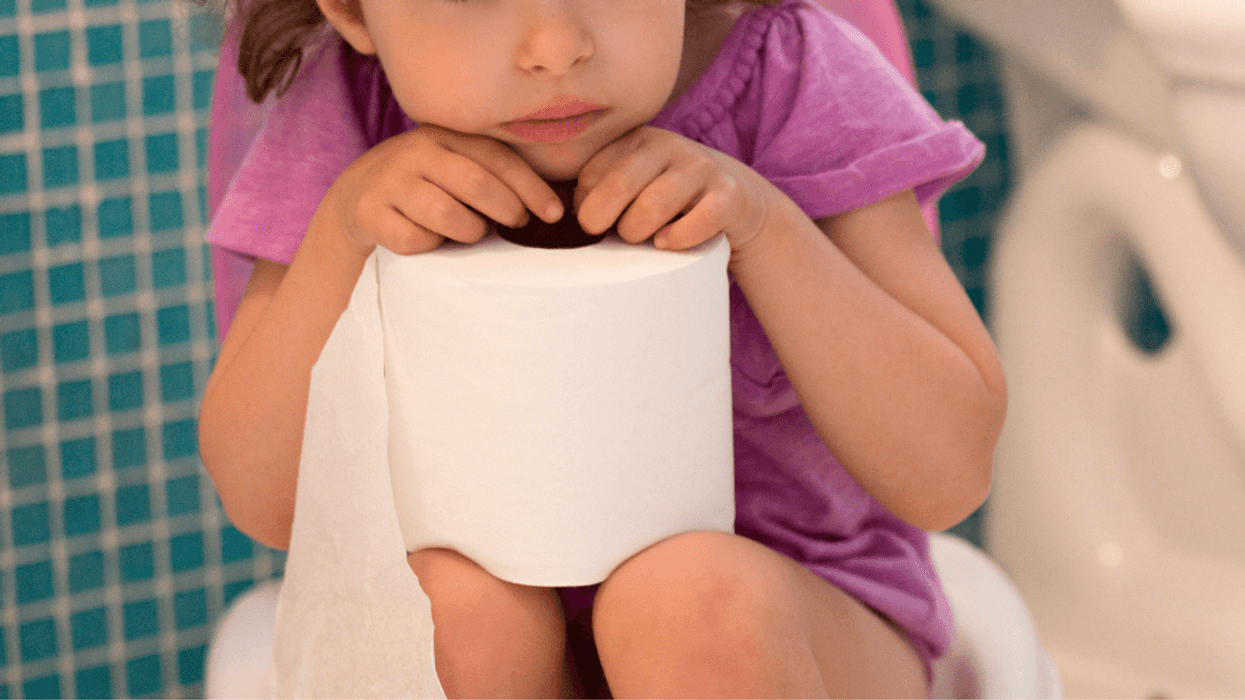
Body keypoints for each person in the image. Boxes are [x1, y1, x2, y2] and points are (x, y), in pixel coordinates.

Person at [197, 0, 1007, 696]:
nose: (554, 46)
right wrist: (342, 232)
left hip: (806, 622)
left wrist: (763, 226)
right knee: (447, 621)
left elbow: (949, 476)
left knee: (689, 603)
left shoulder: (794, 74)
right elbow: (264, 501)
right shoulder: (346, 109)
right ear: (348, 9)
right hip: (505, 640)